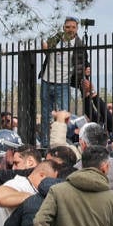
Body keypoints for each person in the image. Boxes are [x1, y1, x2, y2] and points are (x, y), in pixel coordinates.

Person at [38, 16, 88, 146]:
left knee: (63, 115)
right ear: (63, 28)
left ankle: (62, 143)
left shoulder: (79, 45)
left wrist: (86, 70)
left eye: (73, 27)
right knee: (46, 115)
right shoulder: (56, 39)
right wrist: (45, 46)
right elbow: (45, 49)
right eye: (67, 27)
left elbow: (84, 61)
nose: (70, 29)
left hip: (63, 83)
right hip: (47, 80)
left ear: (77, 29)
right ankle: (45, 144)